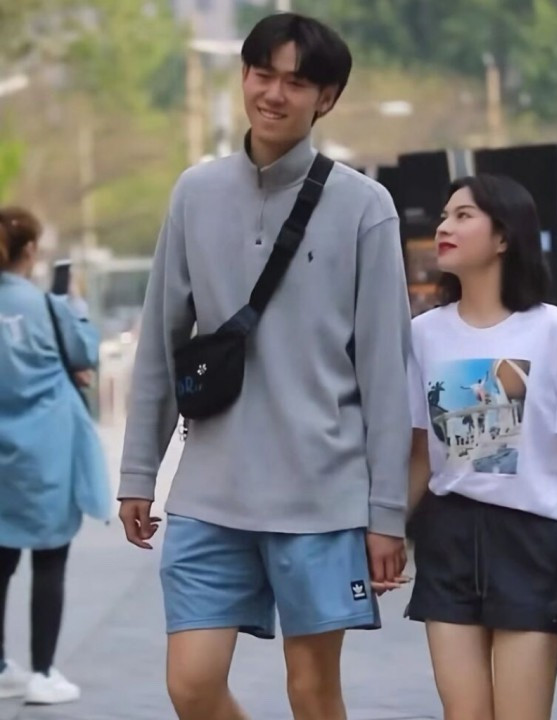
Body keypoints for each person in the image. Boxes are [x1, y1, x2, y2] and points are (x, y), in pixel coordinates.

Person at [117, 12, 411, 720]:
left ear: (326, 98)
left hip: (322, 498)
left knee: (312, 691)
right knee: (191, 685)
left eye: (296, 83)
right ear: (243, 77)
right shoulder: (194, 193)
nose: (273, 94)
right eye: (261, 74)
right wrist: (137, 472)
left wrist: (387, 514)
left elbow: (386, 373)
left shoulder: (365, 207)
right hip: (210, 493)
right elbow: (162, 343)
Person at [405, 175, 557, 720]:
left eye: (463, 216)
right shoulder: (424, 334)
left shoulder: (554, 331)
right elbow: (419, 452)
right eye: (445, 215)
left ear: (503, 237)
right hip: (448, 538)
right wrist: (384, 530)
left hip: (532, 543)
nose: (444, 226)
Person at [0, 207, 110, 705]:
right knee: (49, 559)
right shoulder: (47, 306)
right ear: (29, 250)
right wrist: (76, 306)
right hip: (46, 450)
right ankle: (43, 673)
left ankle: (1, 666)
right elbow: (84, 354)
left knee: (1, 558)